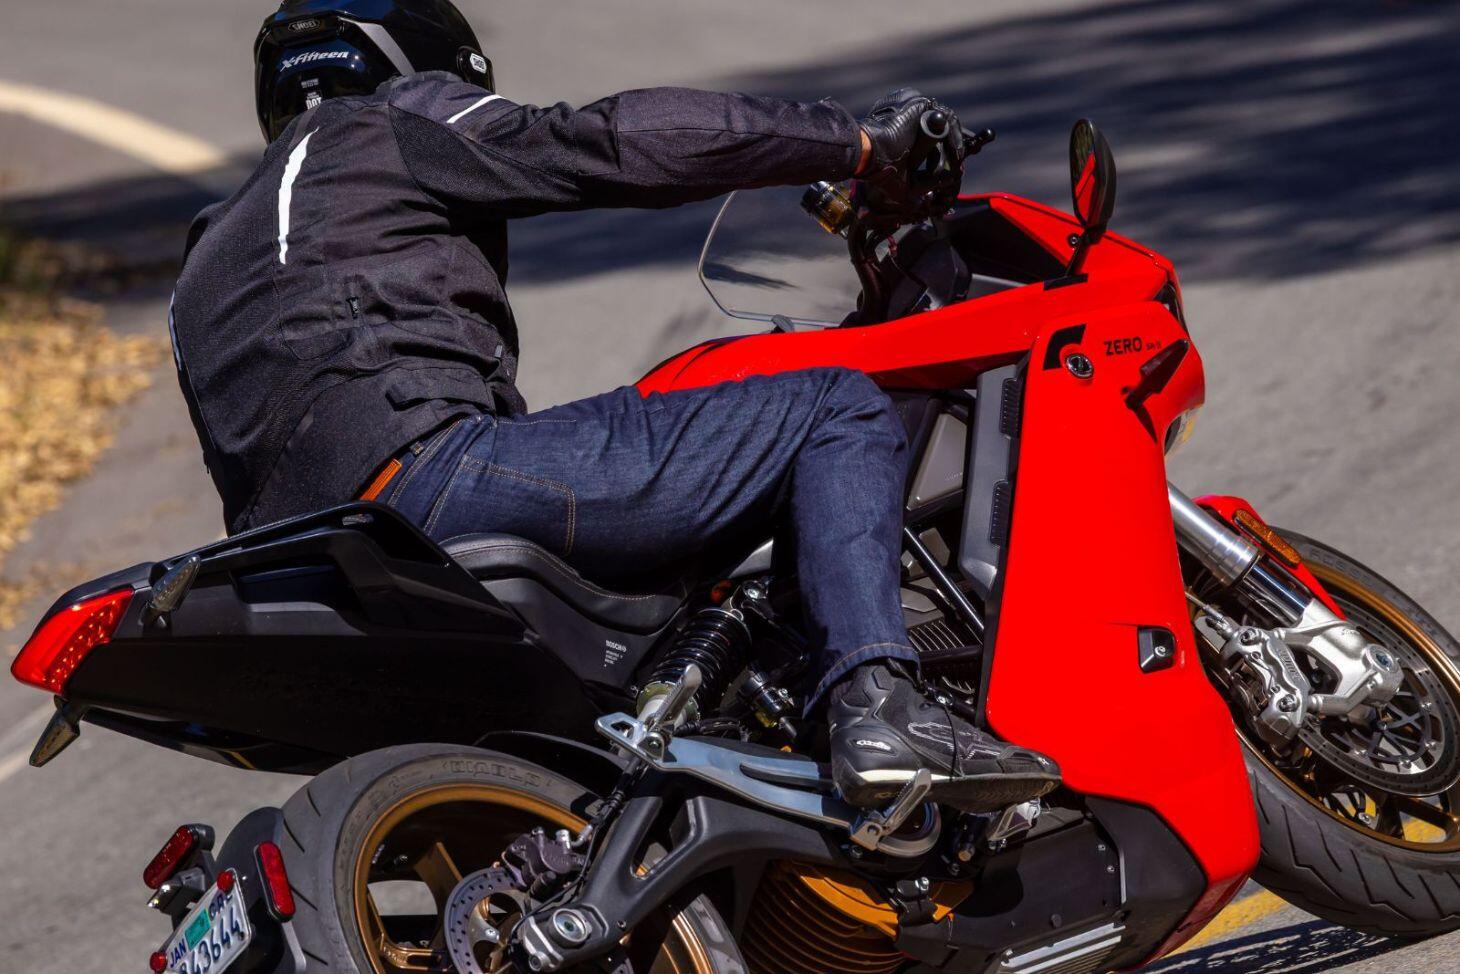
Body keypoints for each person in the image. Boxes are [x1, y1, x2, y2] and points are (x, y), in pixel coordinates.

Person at [169, 0, 1059, 812]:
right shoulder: (386, 122)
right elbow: (610, 140)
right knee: (834, 406)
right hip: (431, 480)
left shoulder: (205, 253)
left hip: (310, 556)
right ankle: (879, 706)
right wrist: (857, 145)